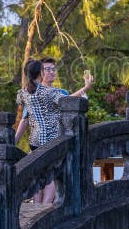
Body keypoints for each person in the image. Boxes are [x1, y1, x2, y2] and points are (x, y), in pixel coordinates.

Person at [15, 58, 93, 204]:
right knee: (50, 175)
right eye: (46, 69)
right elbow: (67, 100)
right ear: (40, 73)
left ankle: (36, 206)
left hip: (34, 140)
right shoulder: (50, 92)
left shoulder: (23, 92)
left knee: (38, 174)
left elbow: (23, 109)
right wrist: (86, 87)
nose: (50, 72)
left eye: (52, 69)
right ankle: (44, 208)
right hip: (51, 138)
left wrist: (15, 139)